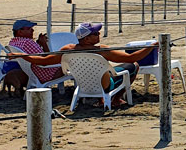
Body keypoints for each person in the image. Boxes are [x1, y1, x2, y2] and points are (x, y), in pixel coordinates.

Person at [9, 22, 157, 109]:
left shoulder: (68, 50)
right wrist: (152, 46)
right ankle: (116, 98)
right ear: (86, 38)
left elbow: (43, 60)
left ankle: (100, 100)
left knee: (102, 72)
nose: (98, 35)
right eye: (95, 34)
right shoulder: (102, 51)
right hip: (105, 84)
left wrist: (21, 56)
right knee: (133, 66)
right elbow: (132, 57)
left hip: (83, 85)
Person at [6, 19, 64, 85]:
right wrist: (44, 44)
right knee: (71, 63)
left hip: (33, 74)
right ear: (20, 32)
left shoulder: (13, 42)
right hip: (47, 74)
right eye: (29, 28)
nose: (32, 30)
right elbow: (46, 60)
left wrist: (39, 44)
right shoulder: (27, 42)